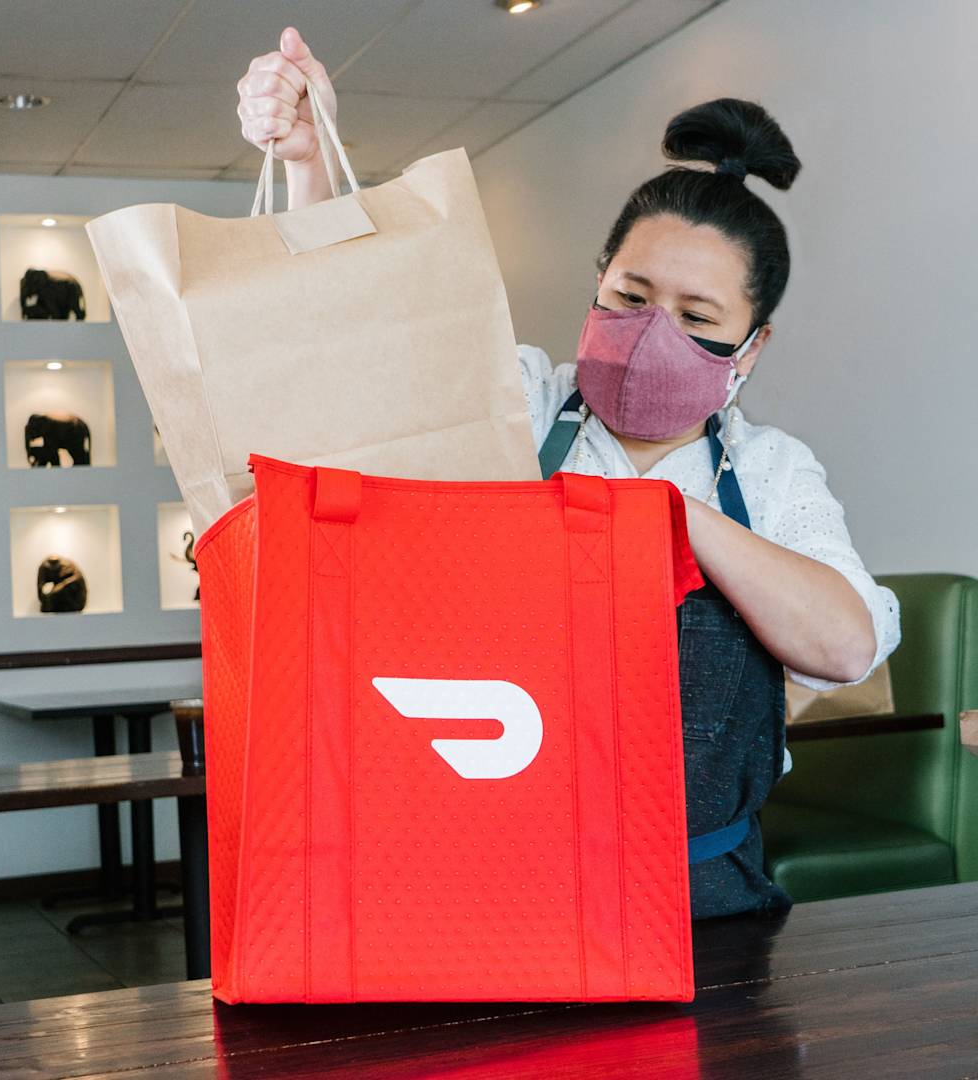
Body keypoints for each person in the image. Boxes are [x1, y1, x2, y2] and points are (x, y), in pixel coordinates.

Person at [235, 28, 901, 919]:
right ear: (598, 281)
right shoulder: (513, 398)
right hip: (484, 884)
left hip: (698, 900)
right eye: (632, 296)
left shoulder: (773, 473)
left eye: (698, 316)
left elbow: (845, 646)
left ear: (751, 347)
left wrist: (669, 517)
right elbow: (351, 355)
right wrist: (311, 169)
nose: (655, 331)